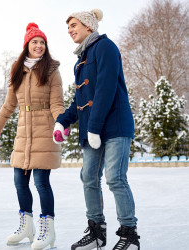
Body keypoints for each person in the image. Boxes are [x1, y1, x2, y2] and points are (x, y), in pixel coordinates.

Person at [53, 9, 140, 250]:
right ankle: (97, 232)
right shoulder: (81, 59)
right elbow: (80, 99)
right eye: (68, 27)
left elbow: (106, 88)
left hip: (113, 125)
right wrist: (63, 120)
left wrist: (94, 127)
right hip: (94, 130)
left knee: (115, 178)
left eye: (73, 25)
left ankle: (129, 234)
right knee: (88, 177)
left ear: (89, 26)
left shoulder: (105, 47)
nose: (70, 30)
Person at [0, 23, 67, 250]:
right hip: (24, 134)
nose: (39, 45)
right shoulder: (17, 70)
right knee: (19, 182)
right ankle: (27, 227)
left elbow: (57, 103)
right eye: (35, 42)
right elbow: (9, 105)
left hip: (45, 131)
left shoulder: (52, 70)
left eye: (42, 42)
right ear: (27, 45)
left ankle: (48, 231)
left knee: (42, 183)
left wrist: (61, 124)